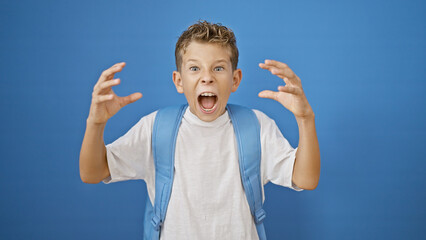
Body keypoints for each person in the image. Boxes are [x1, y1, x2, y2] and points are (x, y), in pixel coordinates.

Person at [79, 20, 320, 240]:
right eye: (195, 68)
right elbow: (92, 173)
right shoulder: (155, 127)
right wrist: (96, 123)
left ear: (235, 80)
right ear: (179, 81)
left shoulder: (257, 126)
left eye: (218, 68)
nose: (207, 78)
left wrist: (305, 118)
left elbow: (306, 179)